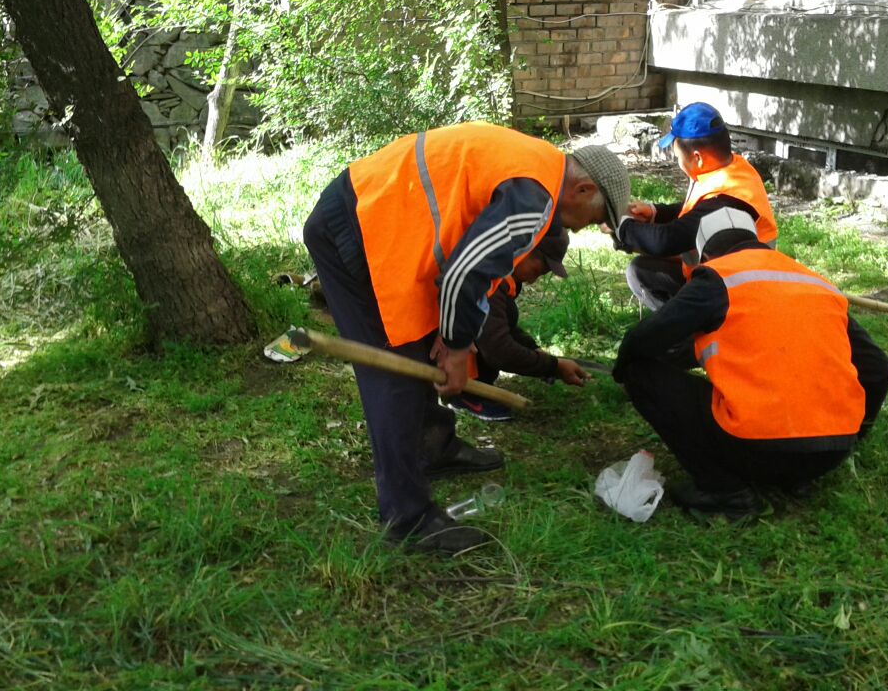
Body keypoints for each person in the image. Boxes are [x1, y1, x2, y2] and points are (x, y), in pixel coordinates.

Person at [303, 123, 630, 553]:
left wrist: (448, 334)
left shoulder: (536, 168)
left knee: (418, 345)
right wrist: (458, 348)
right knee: (393, 371)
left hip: (380, 225)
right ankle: (407, 518)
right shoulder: (534, 195)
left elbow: (473, 262)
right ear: (584, 189)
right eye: (595, 220)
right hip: (357, 225)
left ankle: (433, 447)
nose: (587, 228)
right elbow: (465, 272)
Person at [612, 209, 888, 518]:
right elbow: (878, 369)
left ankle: (725, 492)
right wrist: (849, 435)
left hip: (755, 448)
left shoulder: (717, 276)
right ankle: (796, 479)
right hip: (832, 452)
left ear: (705, 254)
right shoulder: (815, 283)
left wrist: (621, 367)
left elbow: (645, 338)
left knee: (639, 373)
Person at [616, 102, 778, 311]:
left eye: (677, 156)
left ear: (697, 158)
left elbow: (666, 241)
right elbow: (696, 209)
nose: (678, 162)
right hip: (730, 277)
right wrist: (656, 212)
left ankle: (690, 334)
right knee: (642, 268)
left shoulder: (725, 201)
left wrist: (621, 225)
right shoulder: (733, 169)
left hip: (738, 294)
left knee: (639, 271)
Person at [448, 228, 591, 422]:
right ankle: (467, 394)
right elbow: (498, 349)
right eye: (536, 271)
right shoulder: (490, 281)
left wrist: (534, 350)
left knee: (507, 312)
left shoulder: (501, 272)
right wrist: (553, 367)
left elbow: (502, 328)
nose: (533, 280)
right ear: (522, 250)